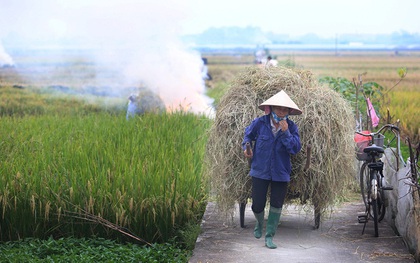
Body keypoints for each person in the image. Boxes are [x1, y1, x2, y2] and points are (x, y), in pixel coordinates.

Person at [242, 90, 302, 249]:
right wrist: (246, 148)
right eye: (278, 108)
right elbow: (247, 136)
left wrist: (286, 132)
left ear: (289, 112)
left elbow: (295, 149)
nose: (281, 112)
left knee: (276, 204)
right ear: (271, 109)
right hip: (260, 170)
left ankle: (269, 236)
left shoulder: (292, 127)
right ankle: (259, 222)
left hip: (280, 172)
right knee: (257, 204)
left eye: (285, 110)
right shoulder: (260, 123)